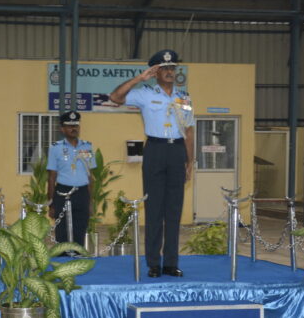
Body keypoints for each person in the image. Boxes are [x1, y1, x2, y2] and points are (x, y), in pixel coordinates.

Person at [109, 49, 195, 277]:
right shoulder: (145, 93)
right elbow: (115, 98)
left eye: (172, 68)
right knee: (154, 208)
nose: (169, 72)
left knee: (174, 210)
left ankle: (171, 263)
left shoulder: (184, 98)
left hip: (177, 150)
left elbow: (188, 130)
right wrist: (139, 78)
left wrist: (190, 161)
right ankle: (154, 264)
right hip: (155, 149)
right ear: (155, 71)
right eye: (164, 68)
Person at [47, 110, 96, 246]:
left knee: (80, 228)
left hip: (82, 193)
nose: (73, 129)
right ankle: (63, 260)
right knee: (62, 231)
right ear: (62, 129)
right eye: (69, 126)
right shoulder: (55, 148)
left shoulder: (87, 146)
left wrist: (90, 201)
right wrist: (51, 204)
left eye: (76, 125)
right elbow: (51, 177)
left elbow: (90, 176)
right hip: (62, 193)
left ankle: (77, 257)